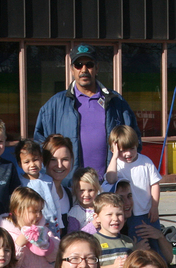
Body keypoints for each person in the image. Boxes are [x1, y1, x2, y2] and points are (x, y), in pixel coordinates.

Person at [34, 44, 141, 173]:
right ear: (72, 70)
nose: (83, 70)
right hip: (70, 186)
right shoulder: (54, 105)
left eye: (89, 64)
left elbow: (134, 140)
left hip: (109, 184)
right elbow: (40, 143)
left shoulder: (116, 102)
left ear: (97, 68)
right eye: (78, 65)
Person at [103, 125, 162, 253]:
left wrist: (154, 207)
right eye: (123, 150)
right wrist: (114, 156)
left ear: (137, 146)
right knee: (137, 245)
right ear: (114, 149)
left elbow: (155, 185)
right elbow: (111, 179)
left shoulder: (145, 161)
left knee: (155, 245)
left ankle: (161, 265)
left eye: (132, 148)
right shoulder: (117, 164)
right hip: (128, 214)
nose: (128, 153)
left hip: (147, 212)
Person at [15, 138, 61, 237]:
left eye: (35, 160)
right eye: (27, 162)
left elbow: (56, 201)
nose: (32, 165)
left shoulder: (48, 180)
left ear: (41, 159)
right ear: (20, 164)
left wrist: (60, 224)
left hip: (51, 223)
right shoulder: (19, 183)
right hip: (31, 225)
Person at [92, 192, 136, 268]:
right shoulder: (93, 242)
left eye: (119, 214)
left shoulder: (128, 242)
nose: (115, 218)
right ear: (97, 217)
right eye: (109, 214)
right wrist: (113, 267)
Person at [42, 134, 74, 230]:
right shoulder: (36, 193)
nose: (59, 165)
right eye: (53, 160)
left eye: (65, 159)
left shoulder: (70, 194)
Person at [67, 167, 101, 234]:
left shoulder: (102, 208)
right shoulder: (75, 212)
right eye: (82, 190)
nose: (86, 194)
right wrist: (92, 226)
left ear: (97, 190)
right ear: (75, 191)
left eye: (91, 190)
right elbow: (72, 236)